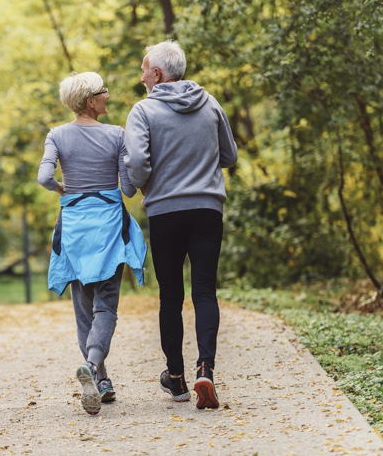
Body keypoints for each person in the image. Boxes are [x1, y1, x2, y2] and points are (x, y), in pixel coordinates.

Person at [124, 41, 238, 409]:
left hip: (165, 212)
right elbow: (229, 155)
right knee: (204, 290)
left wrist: (147, 185)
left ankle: (176, 379)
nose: (141, 76)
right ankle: (206, 368)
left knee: (171, 294)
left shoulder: (143, 110)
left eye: (144, 69)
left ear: (157, 74)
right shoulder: (211, 103)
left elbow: (138, 163)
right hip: (207, 209)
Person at [38, 72, 147, 415]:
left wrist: (61, 189)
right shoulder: (116, 135)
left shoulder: (57, 135)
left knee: (83, 307)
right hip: (108, 228)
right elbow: (128, 189)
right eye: (103, 92)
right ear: (90, 101)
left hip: (73, 228)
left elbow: (43, 177)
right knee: (107, 305)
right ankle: (95, 362)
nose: (108, 95)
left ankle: (99, 377)